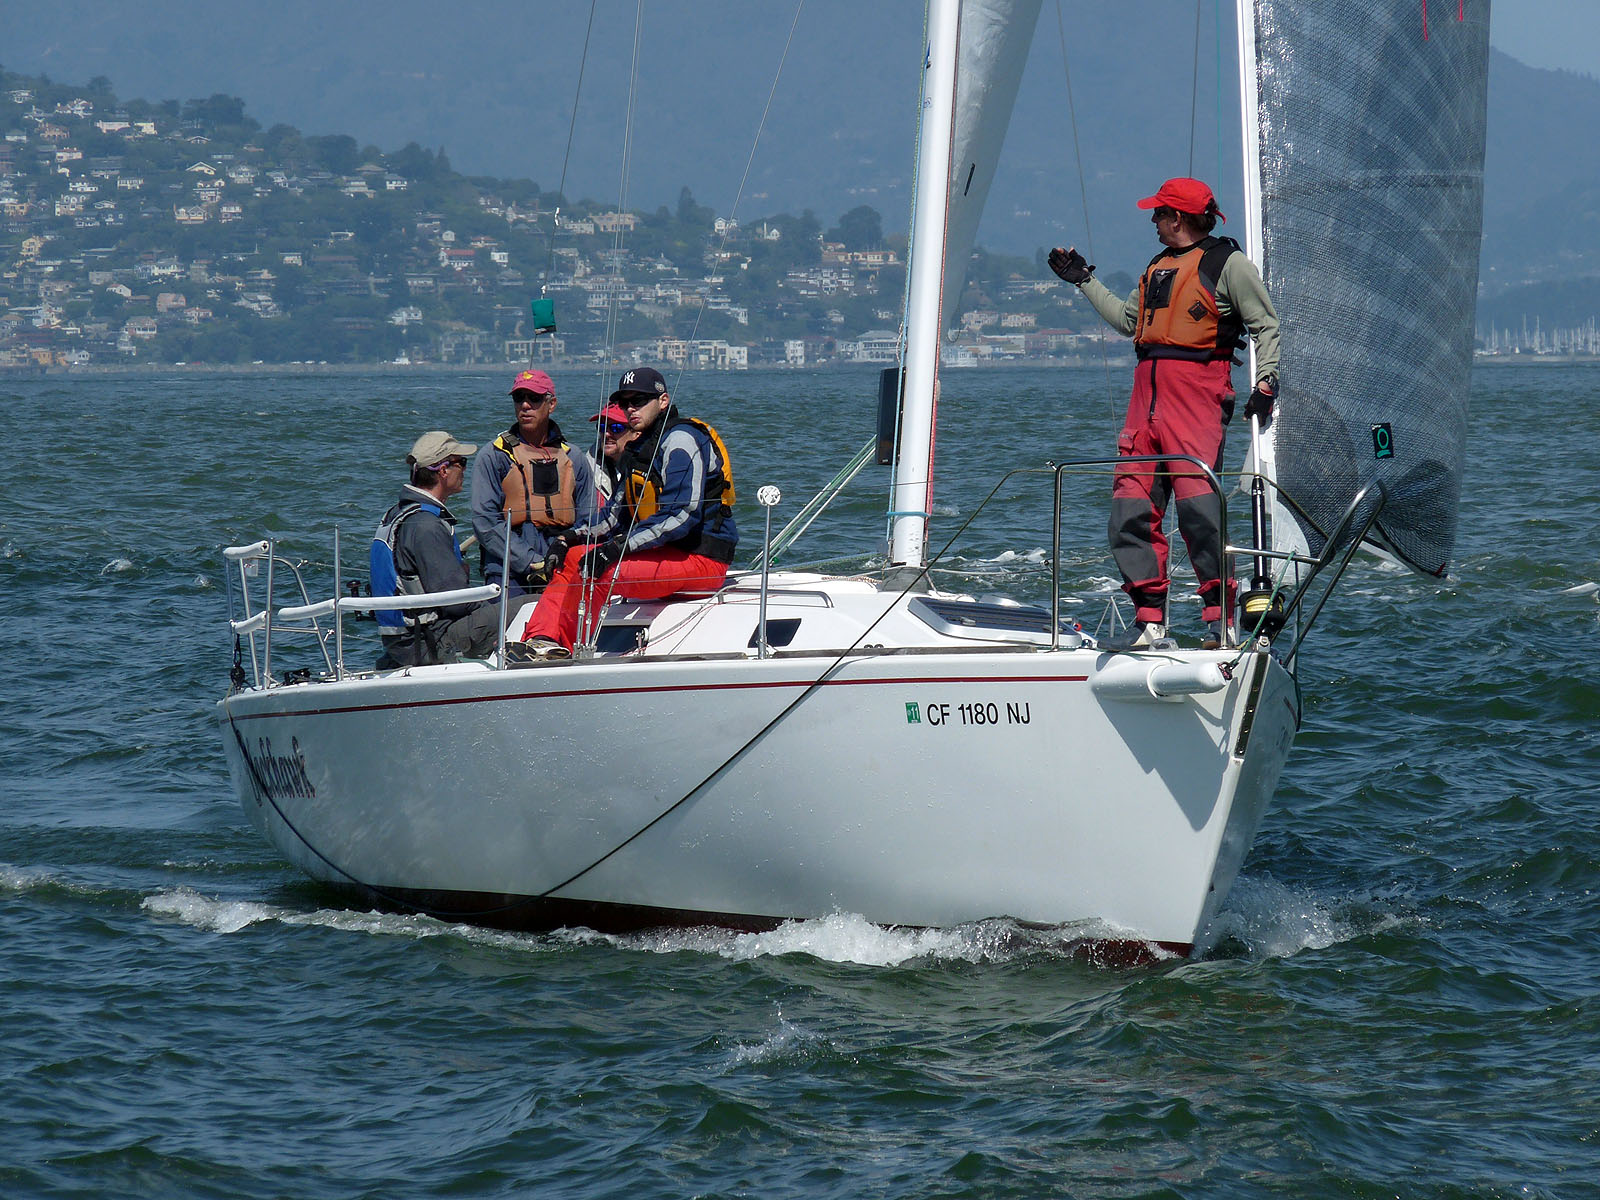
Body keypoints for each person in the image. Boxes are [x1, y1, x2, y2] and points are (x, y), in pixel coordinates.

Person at [1049, 176, 1279, 650]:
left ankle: (1221, 619)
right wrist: (1084, 280)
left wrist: (1265, 383)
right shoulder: (1157, 266)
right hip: (1145, 402)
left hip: (1197, 396)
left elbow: (1265, 325)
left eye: (1158, 213)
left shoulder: (1229, 264)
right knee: (1129, 510)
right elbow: (1128, 322)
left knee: (1200, 513)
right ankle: (1149, 620)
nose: (1152, 221)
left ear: (1177, 218)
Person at [510, 366, 738, 660]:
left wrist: (617, 548)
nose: (630, 408)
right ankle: (542, 639)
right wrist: (568, 538)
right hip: (665, 554)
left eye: (639, 400)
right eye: (624, 402)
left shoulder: (682, 439)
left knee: (599, 569)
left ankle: (567, 649)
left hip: (701, 559)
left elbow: (681, 516)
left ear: (663, 401)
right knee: (575, 557)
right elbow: (614, 516)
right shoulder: (639, 448)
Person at [372, 431, 500, 669]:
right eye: (461, 463)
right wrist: (493, 608)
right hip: (430, 641)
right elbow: (456, 601)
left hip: (401, 643)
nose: (464, 470)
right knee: (532, 604)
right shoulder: (426, 525)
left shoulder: (398, 514)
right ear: (443, 470)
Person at [470, 368, 598, 606]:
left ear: (552, 404)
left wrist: (563, 553)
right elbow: (484, 521)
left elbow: (589, 518)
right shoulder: (495, 456)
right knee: (509, 624)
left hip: (561, 560)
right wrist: (530, 561)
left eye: (534, 398)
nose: (525, 405)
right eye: (519, 398)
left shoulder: (574, 458)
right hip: (508, 567)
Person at [586, 401, 639, 503]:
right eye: (602, 427)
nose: (606, 434)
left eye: (616, 428)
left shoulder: (651, 467)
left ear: (636, 433)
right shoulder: (587, 468)